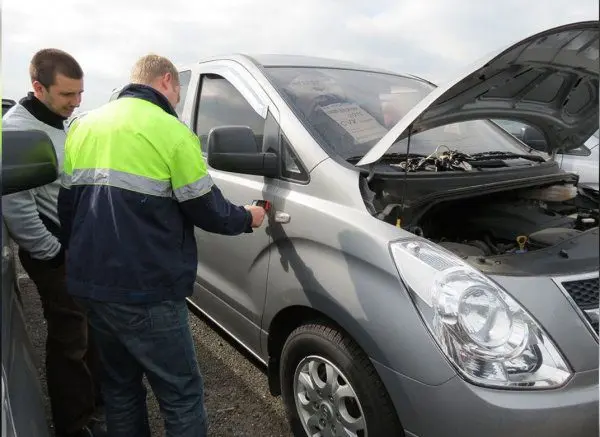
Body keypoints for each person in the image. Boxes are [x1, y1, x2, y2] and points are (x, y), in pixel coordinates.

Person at [57, 54, 267, 437]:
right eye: (178, 91)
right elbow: (209, 210)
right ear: (167, 81)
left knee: (120, 387)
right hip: (146, 290)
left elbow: (69, 208)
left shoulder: (85, 126)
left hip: (92, 285)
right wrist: (247, 217)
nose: (177, 99)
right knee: (181, 394)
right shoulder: (171, 131)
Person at [2, 48, 106, 437]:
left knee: (91, 329)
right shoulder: (16, 132)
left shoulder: (62, 123)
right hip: (54, 254)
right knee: (70, 339)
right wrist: (53, 253)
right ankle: (74, 424)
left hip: (77, 248)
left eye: (79, 94)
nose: (75, 103)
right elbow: (17, 207)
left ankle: (96, 404)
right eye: (67, 95)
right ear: (38, 87)